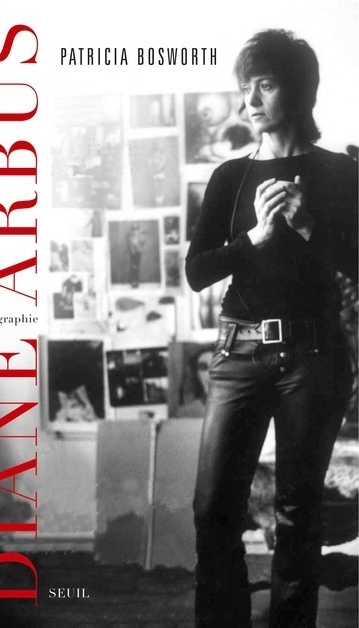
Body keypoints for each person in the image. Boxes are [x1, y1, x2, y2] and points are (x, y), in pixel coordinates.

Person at [185, 29, 357, 627]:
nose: (251, 101)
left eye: (265, 85)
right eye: (245, 88)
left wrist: (308, 225)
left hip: (315, 357)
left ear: (299, 90)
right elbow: (197, 272)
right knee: (213, 510)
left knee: (298, 515)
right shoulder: (229, 177)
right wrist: (253, 239)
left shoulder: (340, 173)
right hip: (238, 353)